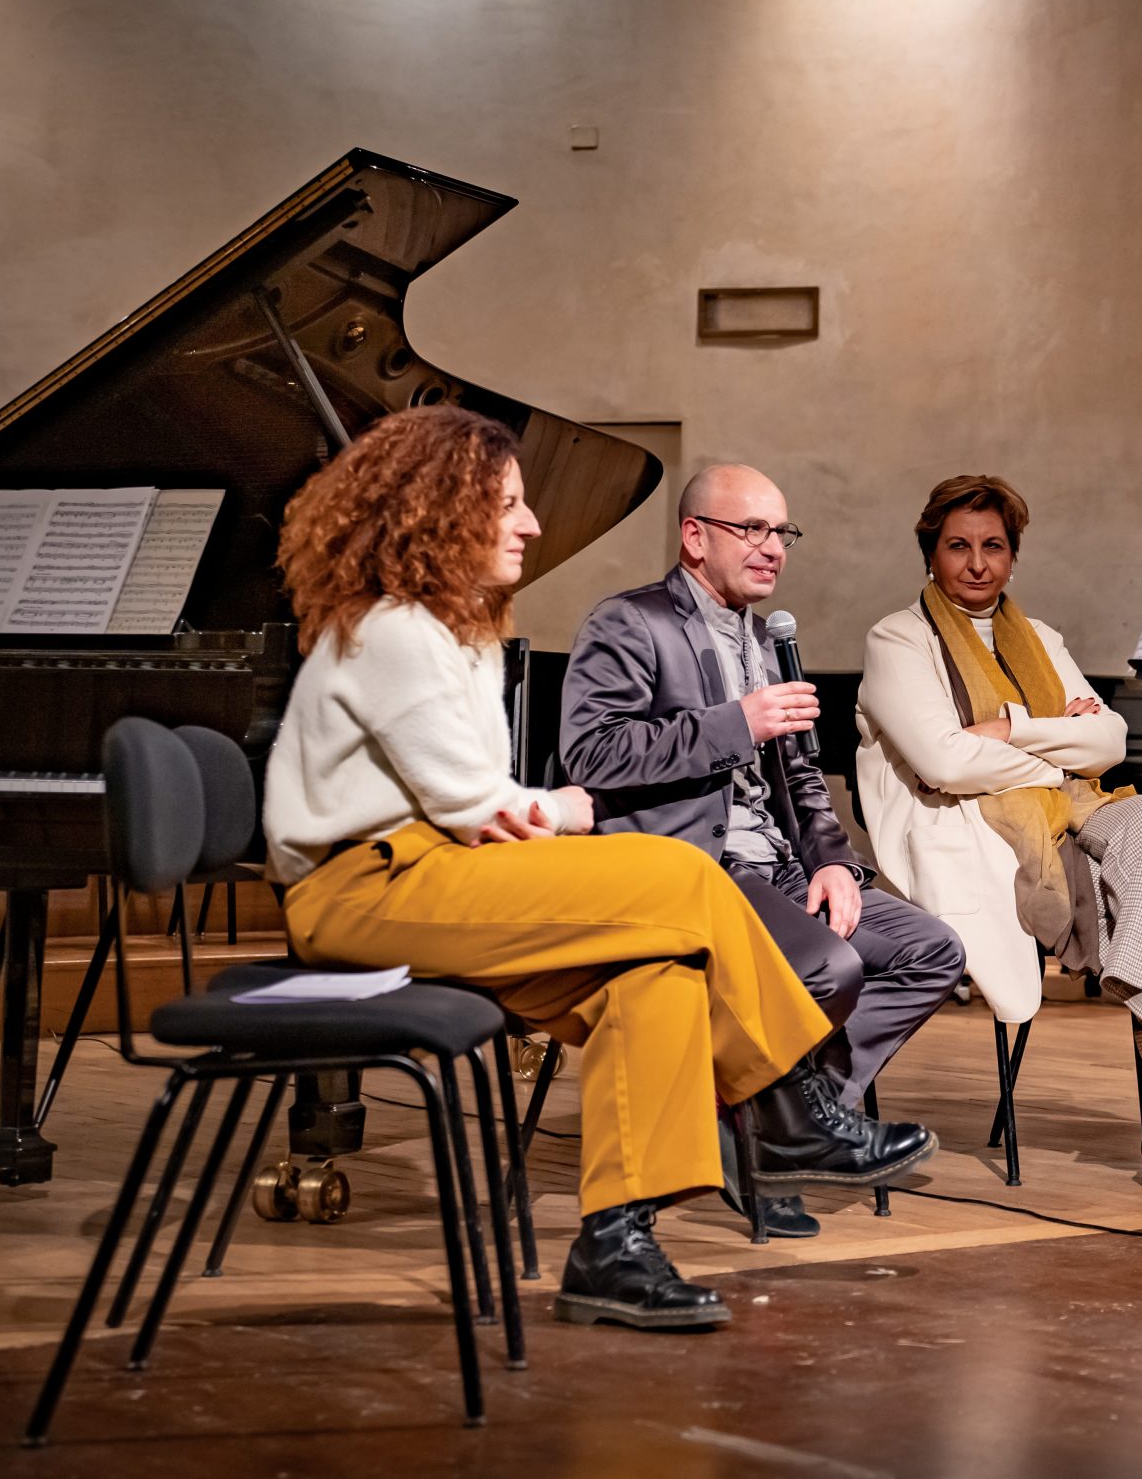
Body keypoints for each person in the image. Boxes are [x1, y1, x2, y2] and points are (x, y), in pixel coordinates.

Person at [261, 405, 932, 1335]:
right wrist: (565, 809)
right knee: (681, 876)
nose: (533, 524)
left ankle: (615, 1242)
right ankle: (790, 1104)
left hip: (440, 872)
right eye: (509, 504)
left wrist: (545, 813)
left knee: (655, 974)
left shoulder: (450, 633)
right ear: (440, 510)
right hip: (366, 886)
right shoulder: (393, 630)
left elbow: (485, 804)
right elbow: (481, 806)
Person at [561, 464, 965, 1238]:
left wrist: (835, 864)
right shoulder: (630, 623)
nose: (773, 547)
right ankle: (778, 1128)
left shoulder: (766, 636)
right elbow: (593, 755)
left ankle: (773, 1128)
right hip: (695, 863)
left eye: (782, 531)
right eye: (752, 528)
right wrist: (735, 723)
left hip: (781, 863)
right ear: (694, 536)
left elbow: (802, 779)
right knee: (828, 967)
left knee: (933, 951)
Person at [853, 474, 1142, 1194]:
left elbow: (1110, 742)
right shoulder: (900, 637)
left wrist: (1010, 727)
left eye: (993, 546)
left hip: (1068, 815)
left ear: (1014, 556)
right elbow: (944, 762)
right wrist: (1057, 738)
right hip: (978, 831)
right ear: (932, 553)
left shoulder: (1040, 638)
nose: (977, 562)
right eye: (959, 546)